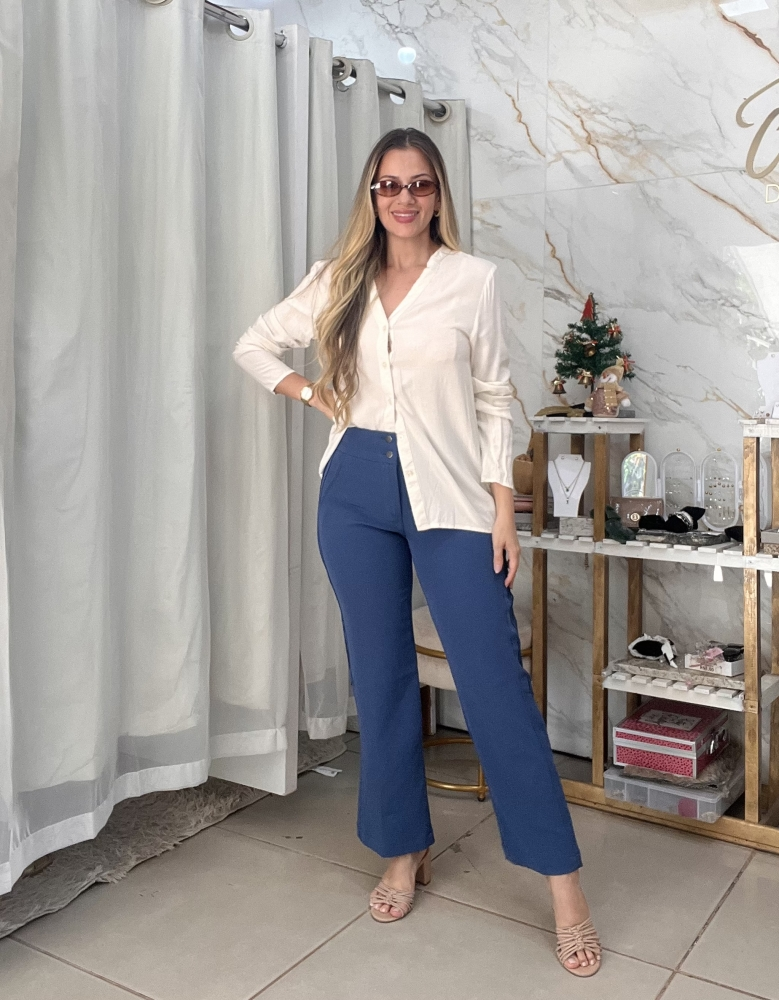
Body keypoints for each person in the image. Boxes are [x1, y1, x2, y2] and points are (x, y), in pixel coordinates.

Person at [233, 127, 601, 978]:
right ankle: (402, 850)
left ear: (438, 194)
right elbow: (253, 345)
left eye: (420, 184)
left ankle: (564, 887)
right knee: (382, 677)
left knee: (494, 685)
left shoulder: (472, 280)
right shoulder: (338, 278)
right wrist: (315, 393)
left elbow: (494, 396)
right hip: (354, 490)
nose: (404, 199)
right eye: (390, 185)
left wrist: (502, 507)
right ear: (372, 195)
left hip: (452, 495)